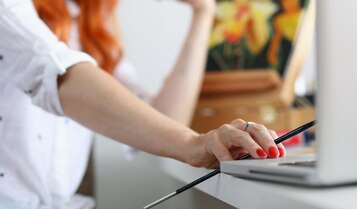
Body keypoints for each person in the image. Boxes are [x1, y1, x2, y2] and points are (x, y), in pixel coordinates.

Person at [0, 0, 285, 208]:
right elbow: (57, 73)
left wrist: (203, 12)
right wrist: (190, 142)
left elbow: (162, 119)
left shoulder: (89, 27)